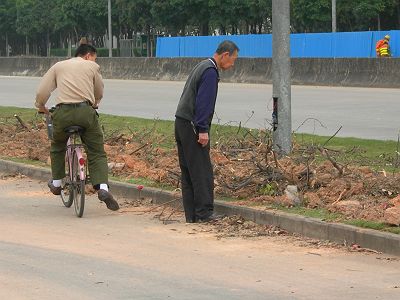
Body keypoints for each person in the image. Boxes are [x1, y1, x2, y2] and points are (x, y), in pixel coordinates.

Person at [35, 42, 119, 211]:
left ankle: (57, 182)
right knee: (96, 151)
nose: (94, 61)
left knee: (58, 145)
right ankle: (102, 188)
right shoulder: (92, 67)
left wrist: (41, 106)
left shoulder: (58, 66)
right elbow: (99, 91)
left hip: (63, 113)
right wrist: (94, 103)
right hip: (85, 112)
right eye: (94, 58)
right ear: (88, 55)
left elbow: (43, 91)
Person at [174, 40, 239, 223]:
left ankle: (192, 215)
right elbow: (204, 103)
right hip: (193, 126)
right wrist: (202, 129)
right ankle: (204, 213)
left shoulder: (201, 65)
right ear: (225, 55)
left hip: (181, 122)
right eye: (233, 59)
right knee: (202, 171)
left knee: (188, 171)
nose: (233, 64)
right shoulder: (210, 72)